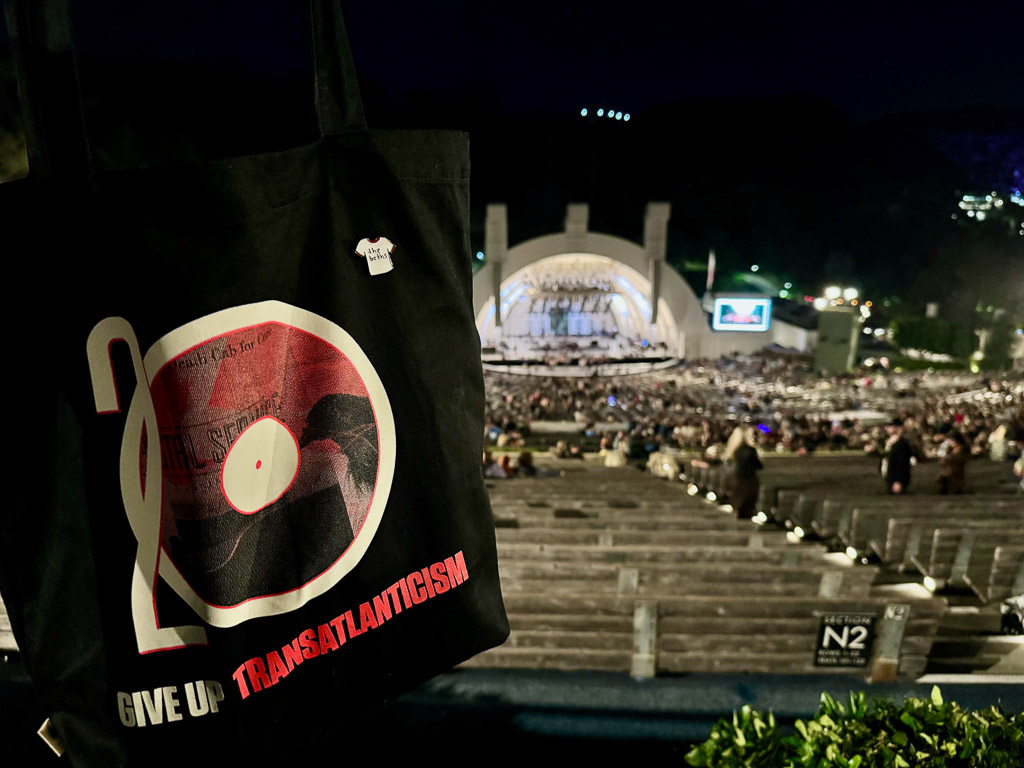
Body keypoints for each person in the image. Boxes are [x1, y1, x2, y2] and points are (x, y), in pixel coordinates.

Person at [724, 426, 762, 519]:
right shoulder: (750, 450)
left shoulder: (736, 451)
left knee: (740, 496)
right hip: (749, 477)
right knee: (749, 497)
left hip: (738, 477)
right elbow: (758, 465)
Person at [882, 418, 913, 494]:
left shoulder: (902, 444)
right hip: (889, 475)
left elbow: (902, 463)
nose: (886, 429)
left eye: (890, 427)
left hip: (896, 478)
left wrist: (898, 480)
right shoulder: (889, 442)